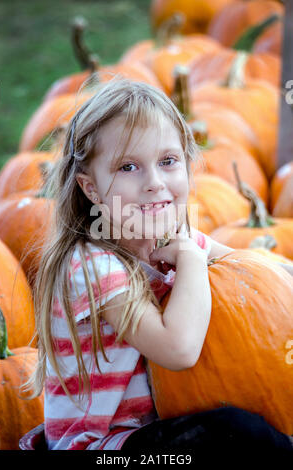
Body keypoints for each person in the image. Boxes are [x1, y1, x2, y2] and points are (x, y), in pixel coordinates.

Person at [26, 77, 292, 459]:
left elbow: (252, 268)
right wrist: (192, 263)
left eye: (167, 161)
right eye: (129, 167)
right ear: (92, 189)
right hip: (102, 445)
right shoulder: (91, 265)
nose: (154, 183)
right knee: (237, 432)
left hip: (160, 425)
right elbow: (178, 349)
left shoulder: (172, 238)